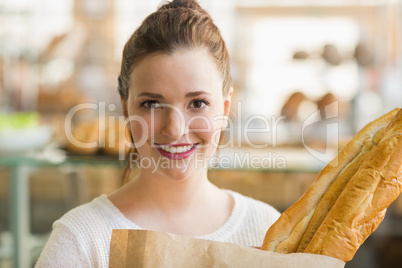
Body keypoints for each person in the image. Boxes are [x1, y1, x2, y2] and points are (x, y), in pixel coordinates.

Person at [35, 0, 280, 267]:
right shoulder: (81, 241)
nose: (174, 129)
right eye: (151, 104)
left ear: (224, 108)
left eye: (197, 103)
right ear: (126, 110)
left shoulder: (267, 228)